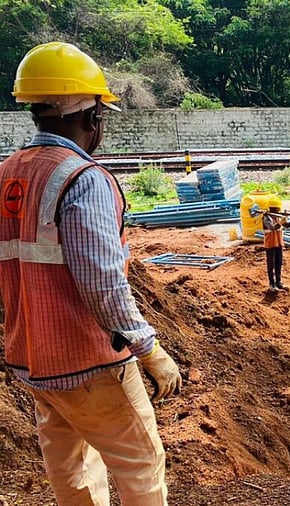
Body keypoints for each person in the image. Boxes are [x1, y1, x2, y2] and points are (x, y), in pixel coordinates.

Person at [0, 41, 182, 505]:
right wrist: (148, 347)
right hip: (91, 362)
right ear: (90, 117)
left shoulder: (7, 174)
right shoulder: (83, 179)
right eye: (101, 115)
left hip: (34, 360)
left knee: (73, 472)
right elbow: (102, 280)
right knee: (140, 466)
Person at [262, 195, 290, 292]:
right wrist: (280, 222)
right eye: (276, 209)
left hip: (278, 244)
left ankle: (279, 282)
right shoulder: (266, 218)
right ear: (272, 208)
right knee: (271, 265)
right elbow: (272, 227)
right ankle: (271, 284)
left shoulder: (278, 217)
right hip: (270, 245)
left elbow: (286, 225)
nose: (277, 210)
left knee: (278, 264)